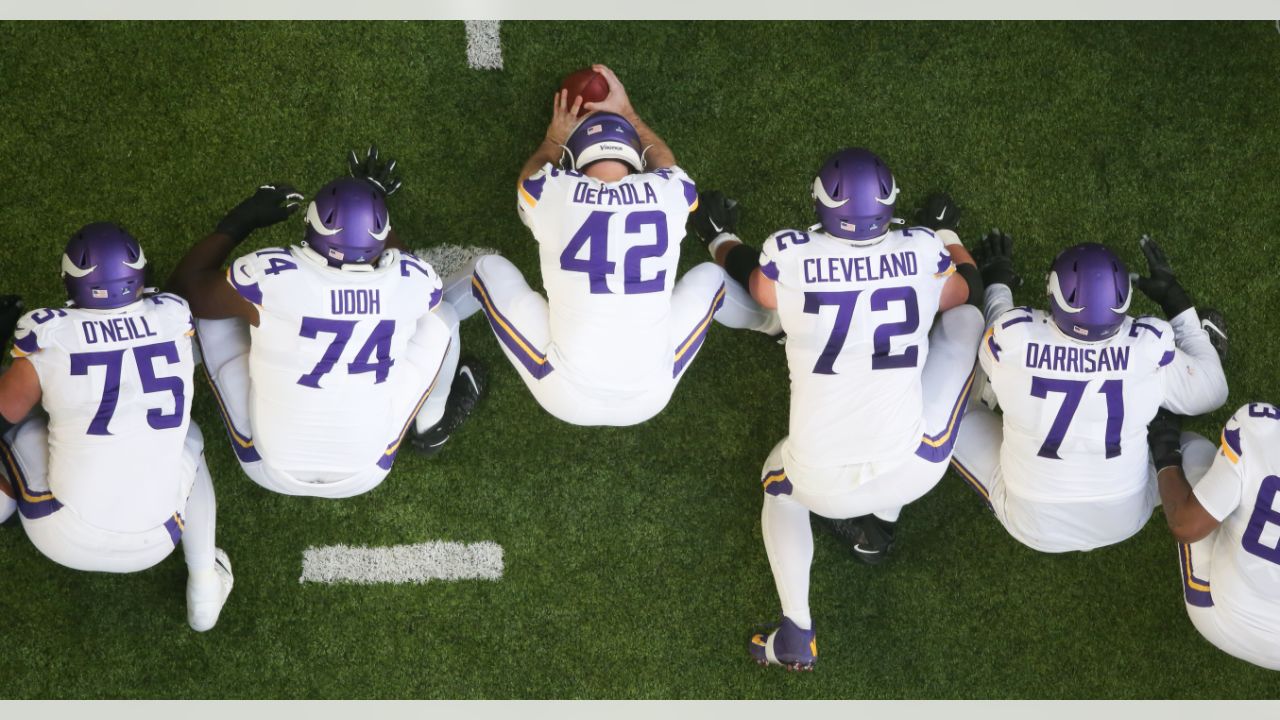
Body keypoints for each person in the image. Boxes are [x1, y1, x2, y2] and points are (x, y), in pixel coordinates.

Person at [692, 148, 985, 669]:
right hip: (915, 466)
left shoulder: (791, 249)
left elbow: (758, 289)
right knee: (965, 323)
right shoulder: (919, 248)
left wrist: (719, 238)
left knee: (777, 488)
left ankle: (797, 629)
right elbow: (964, 292)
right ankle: (880, 526)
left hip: (818, 483)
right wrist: (945, 236)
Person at [442, 65, 778, 426]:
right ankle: (775, 324)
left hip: (564, 389)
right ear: (635, 160)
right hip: (651, 390)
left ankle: (424, 320)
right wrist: (629, 114)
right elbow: (665, 163)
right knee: (712, 280)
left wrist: (553, 139)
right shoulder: (671, 191)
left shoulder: (554, 190)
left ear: (572, 158)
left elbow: (528, 183)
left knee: (485, 271)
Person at [167, 148, 483, 498]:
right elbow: (404, 266)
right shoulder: (410, 281)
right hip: (366, 470)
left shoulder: (273, 278)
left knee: (206, 314)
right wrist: (372, 198)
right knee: (444, 317)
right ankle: (431, 425)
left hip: (267, 465)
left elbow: (186, 289)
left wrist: (242, 220)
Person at [0, 225, 231, 631]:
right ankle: (205, 581)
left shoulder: (50, 331)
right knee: (188, 440)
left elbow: (5, 411)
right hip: (157, 541)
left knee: (24, 432)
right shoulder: (174, 315)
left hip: (63, 535)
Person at [950, 233, 1229, 552]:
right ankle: (1173, 414)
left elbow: (996, 328)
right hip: (1125, 514)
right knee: (1191, 443)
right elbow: (1213, 392)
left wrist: (998, 279)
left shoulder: (1016, 336)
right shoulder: (1146, 344)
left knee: (956, 410)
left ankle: (989, 395)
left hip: (1036, 523)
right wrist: (1176, 303)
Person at [1147, 405, 1280, 670]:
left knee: (1193, 450)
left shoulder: (1262, 428)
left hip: (1223, 617)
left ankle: (1130, 483)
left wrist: (1165, 451)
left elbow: (1186, 525)